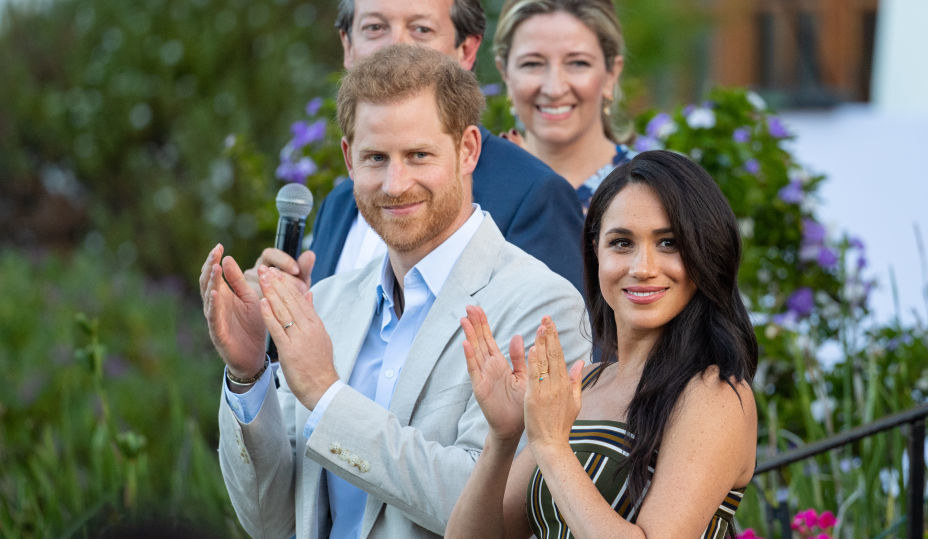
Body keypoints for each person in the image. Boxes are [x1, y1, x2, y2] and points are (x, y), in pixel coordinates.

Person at [200, 44, 589, 539]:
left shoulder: (542, 305)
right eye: (376, 157)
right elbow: (272, 522)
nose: (395, 183)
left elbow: (488, 515)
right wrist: (247, 373)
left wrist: (326, 393)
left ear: (469, 149)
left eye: (418, 155)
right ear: (348, 158)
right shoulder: (331, 300)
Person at [445, 150, 759, 538]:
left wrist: (553, 446)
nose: (642, 268)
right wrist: (504, 438)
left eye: (668, 243)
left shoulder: (714, 393)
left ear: (705, 252)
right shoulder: (585, 384)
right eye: (622, 243)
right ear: (596, 252)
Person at [249, 0, 586, 294]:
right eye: (375, 27)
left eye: (421, 29)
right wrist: (259, 357)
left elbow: (558, 357)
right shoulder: (339, 205)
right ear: (348, 46)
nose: (397, 47)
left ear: (466, 50)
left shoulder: (534, 197)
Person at [493, 0, 636, 211]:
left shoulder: (657, 189)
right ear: (505, 74)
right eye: (532, 63)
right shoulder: (472, 186)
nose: (554, 89)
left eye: (578, 63)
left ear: (611, 74)